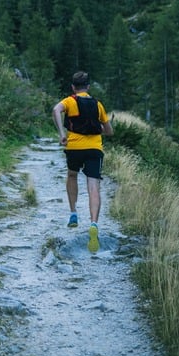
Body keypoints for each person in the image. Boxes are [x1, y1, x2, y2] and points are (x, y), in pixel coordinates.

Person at [52, 71, 113, 252]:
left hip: (74, 148)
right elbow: (109, 131)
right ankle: (93, 223)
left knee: (72, 175)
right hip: (94, 148)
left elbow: (55, 110)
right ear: (88, 87)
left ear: (73, 87)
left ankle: (73, 213)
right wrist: (98, 128)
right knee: (93, 185)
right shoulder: (98, 105)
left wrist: (62, 134)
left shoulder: (69, 101)